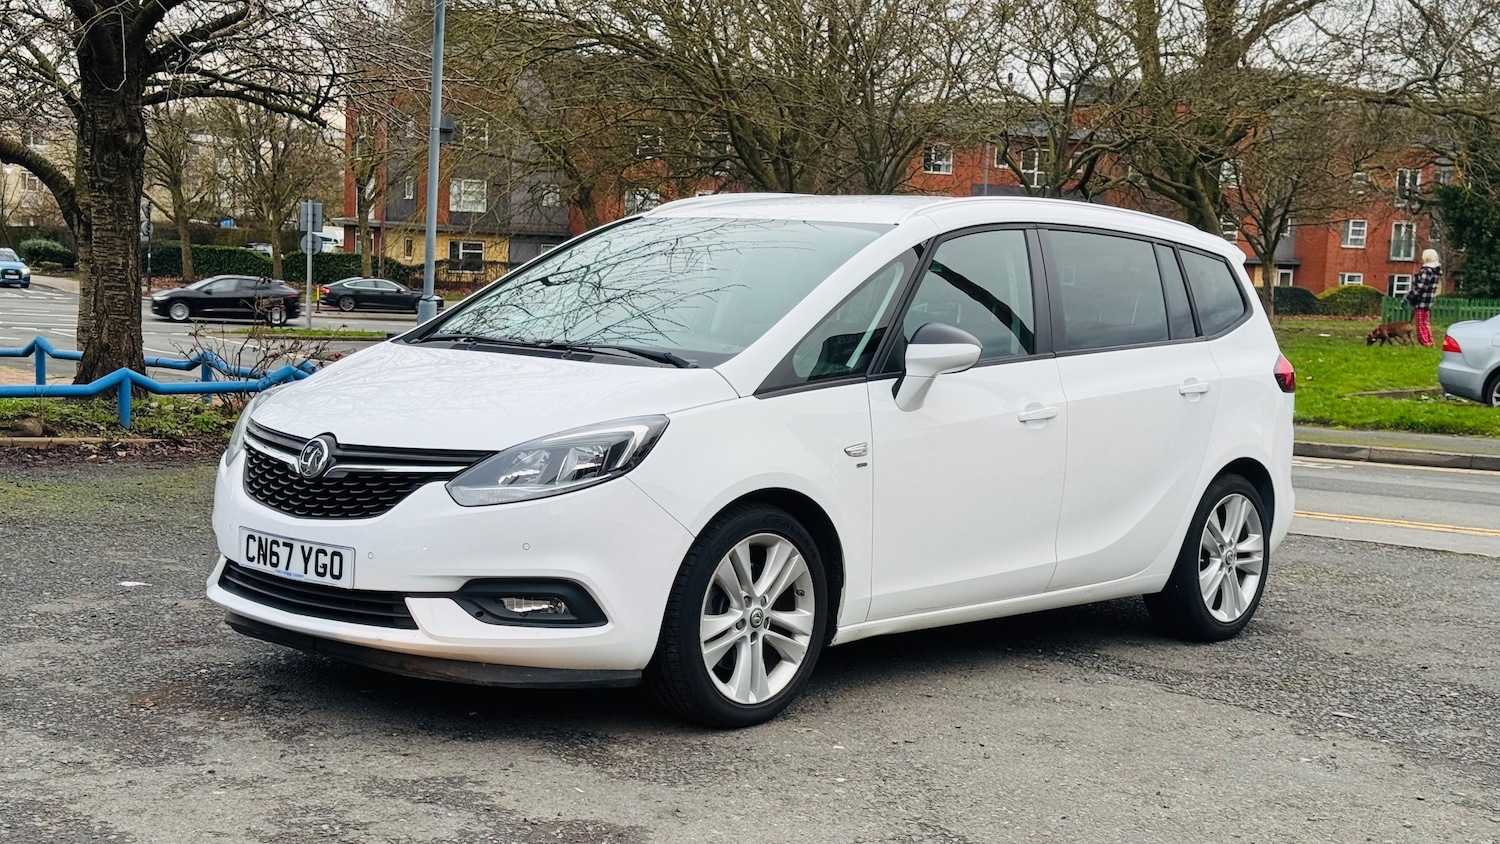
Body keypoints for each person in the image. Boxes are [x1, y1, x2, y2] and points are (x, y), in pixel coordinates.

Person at [1408, 248, 1442, 347]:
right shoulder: (1435, 271)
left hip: (1421, 301)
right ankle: (1430, 343)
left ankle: (1425, 343)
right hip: (1428, 301)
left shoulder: (1426, 271)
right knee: (1425, 323)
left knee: (1420, 324)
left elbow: (1421, 287)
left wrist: (1410, 296)